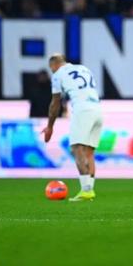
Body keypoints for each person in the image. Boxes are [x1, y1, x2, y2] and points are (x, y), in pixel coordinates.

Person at [40, 53, 103, 202]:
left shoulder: (57, 75)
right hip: (98, 109)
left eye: (51, 68)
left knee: (77, 148)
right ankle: (89, 190)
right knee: (89, 152)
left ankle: (86, 190)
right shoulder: (83, 68)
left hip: (82, 110)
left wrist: (50, 127)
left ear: (54, 65)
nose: (52, 71)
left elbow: (55, 103)